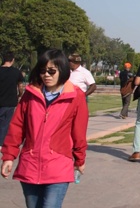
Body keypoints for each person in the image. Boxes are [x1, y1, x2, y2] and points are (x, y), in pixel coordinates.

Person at [1, 49, 88, 208]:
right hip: (30, 165)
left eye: (51, 71)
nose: (46, 75)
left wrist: (79, 158)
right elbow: (17, 127)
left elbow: (79, 132)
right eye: (43, 71)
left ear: (62, 70)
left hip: (58, 167)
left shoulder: (75, 96)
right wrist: (8, 156)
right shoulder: (31, 94)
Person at [0, 52, 24, 145]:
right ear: (13, 60)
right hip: (9, 101)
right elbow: (21, 86)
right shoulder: (16, 72)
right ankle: (1, 143)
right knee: (5, 124)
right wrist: (20, 95)